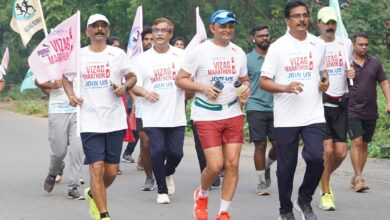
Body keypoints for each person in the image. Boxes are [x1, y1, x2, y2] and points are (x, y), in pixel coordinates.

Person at [176, 9, 250, 220]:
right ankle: (202, 194)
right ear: (212, 28)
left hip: (233, 112)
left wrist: (245, 90)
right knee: (215, 166)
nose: (227, 30)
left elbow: (244, 80)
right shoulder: (199, 52)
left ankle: (223, 212)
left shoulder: (238, 52)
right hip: (207, 114)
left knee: (232, 164)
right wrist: (202, 87)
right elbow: (180, 79)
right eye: (223, 26)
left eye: (230, 26)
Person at [62, 14, 136, 220]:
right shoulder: (78, 55)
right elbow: (65, 79)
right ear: (88, 31)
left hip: (114, 119)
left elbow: (132, 76)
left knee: (111, 171)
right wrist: (70, 95)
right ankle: (103, 215)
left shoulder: (117, 54)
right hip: (89, 120)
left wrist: (125, 87)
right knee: (96, 167)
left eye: (104, 26)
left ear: (108, 31)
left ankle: (94, 193)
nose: (100, 29)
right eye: (95, 26)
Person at [259, 1, 329, 220]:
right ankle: (285, 209)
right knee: (286, 167)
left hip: (313, 113)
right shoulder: (278, 47)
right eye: (296, 16)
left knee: (317, 158)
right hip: (287, 116)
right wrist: (285, 87)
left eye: (305, 15)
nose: (301, 19)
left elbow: (323, 72)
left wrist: (324, 82)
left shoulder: (319, 44)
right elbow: (263, 82)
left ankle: (304, 199)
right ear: (287, 20)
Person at [131, 17, 186, 204]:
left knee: (177, 153)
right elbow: (133, 85)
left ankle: (167, 172)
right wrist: (145, 93)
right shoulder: (142, 59)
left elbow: (189, 79)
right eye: (156, 30)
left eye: (164, 30)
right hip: (152, 116)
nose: (159, 33)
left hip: (176, 115)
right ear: (152, 34)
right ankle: (162, 191)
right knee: (156, 152)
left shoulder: (181, 55)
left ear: (170, 34)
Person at [316, 7, 355, 211]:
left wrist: (352, 71)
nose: (330, 26)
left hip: (341, 104)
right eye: (326, 22)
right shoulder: (313, 45)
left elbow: (351, 69)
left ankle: (324, 177)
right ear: (319, 24)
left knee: (340, 153)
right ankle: (326, 194)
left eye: (333, 22)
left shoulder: (345, 44)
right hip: (321, 104)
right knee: (327, 151)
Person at [348, 31, 390, 192]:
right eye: (361, 44)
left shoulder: (375, 63)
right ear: (353, 45)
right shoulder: (347, 63)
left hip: (370, 110)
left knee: (364, 144)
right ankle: (359, 177)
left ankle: (357, 175)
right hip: (352, 109)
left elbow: (384, 83)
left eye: (366, 44)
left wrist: (389, 101)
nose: (364, 47)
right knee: (357, 141)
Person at [36, 79, 85, 200]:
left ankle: (73, 187)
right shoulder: (50, 60)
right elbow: (37, 81)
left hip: (79, 109)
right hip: (58, 109)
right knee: (59, 152)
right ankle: (53, 172)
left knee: (77, 149)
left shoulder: (80, 60)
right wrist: (52, 85)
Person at [246, 24, 277, 196]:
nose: (264, 38)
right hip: (255, 105)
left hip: (277, 106)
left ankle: (266, 166)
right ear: (254, 38)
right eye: (260, 36)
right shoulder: (247, 59)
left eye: (266, 35)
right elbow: (240, 81)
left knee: (279, 145)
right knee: (260, 144)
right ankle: (261, 183)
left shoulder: (276, 56)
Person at [127, 27, 156, 191]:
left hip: (161, 109)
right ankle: (149, 177)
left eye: (152, 39)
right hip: (142, 109)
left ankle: (163, 172)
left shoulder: (165, 58)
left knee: (160, 146)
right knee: (145, 143)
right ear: (142, 41)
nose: (149, 42)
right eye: (146, 39)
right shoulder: (137, 60)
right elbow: (130, 83)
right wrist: (135, 99)